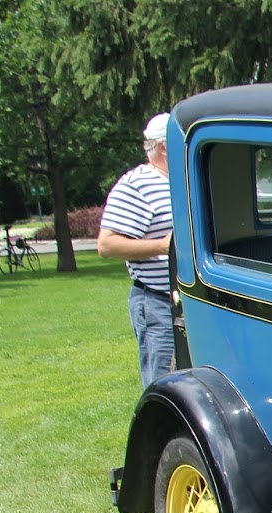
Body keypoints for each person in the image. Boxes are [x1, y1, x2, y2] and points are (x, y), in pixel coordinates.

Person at [98, 112, 174, 388]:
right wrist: (162, 246)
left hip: (188, 302)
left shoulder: (181, 181)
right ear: (163, 147)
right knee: (163, 381)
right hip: (158, 304)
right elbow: (107, 245)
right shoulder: (136, 185)